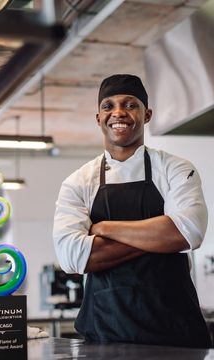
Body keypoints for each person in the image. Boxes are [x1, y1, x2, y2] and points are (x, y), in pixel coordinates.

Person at [53, 74, 211, 348]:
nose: (118, 113)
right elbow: (72, 257)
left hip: (175, 333)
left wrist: (104, 229)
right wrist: (160, 235)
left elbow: (189, 233)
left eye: (130, 104)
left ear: (147, 114)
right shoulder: (78, 181)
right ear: (98, 117)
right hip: (104, 334)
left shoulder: (176, 169)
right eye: (108, 105)